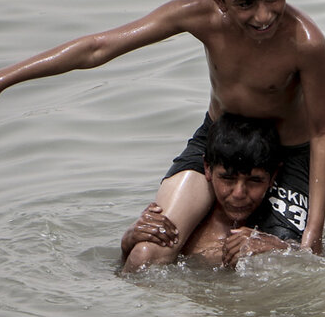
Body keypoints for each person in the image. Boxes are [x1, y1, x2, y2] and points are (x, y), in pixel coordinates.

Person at [0, 0, 325, 267]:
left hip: (285, 156)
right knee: (148, 253)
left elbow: (321, 133)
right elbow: (98, 47)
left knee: (282, 266)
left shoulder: (305, 42)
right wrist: (0, 79)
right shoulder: (198, 14)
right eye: (245, 4)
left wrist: (311, 238)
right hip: (219, 138)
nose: (264, 16)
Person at [121, 114, 290, 268]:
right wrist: (128, 241)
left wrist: (277, 247)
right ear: (207, 169)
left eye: (254, 181)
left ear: (273, 176)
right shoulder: (183, 226)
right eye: (228, 179)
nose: (239, 193)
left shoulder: (276, 227)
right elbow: (125, 280)